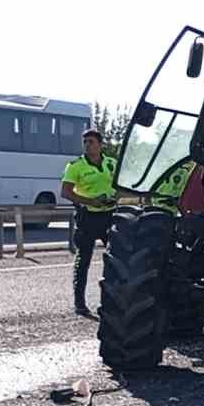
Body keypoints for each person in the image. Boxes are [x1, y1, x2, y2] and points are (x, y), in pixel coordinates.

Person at [61, 130, 117, 316]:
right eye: (85, 142)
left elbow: (120, 186)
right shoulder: (75, 166)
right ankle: (80, 303)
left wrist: (115, 198)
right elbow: (66, 192)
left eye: (91, 142)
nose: (87, 145)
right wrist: (91, 201)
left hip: (110, 215)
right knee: (83, 260)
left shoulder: (111, 163)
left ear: (100, 144)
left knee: (116, 260)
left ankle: (110, 302)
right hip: (88, 217)